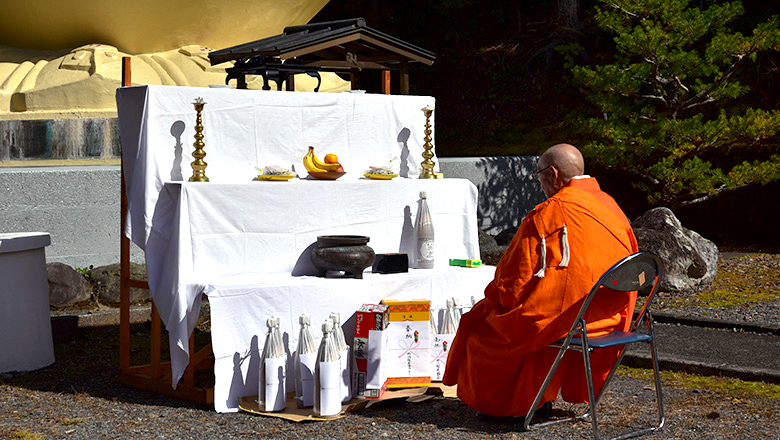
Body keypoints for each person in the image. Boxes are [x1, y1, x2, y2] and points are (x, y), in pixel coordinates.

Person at [442, 143, 639, 419]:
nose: (540, 185)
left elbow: (511, 282)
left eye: (539, 177)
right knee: (541, 314)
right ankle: (539, 397)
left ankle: (505, 407)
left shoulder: (549, 214)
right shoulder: (612, 208)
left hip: (569, 320)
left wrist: (494, 302)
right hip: (608, 316)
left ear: (554, 174)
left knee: (484, 325)